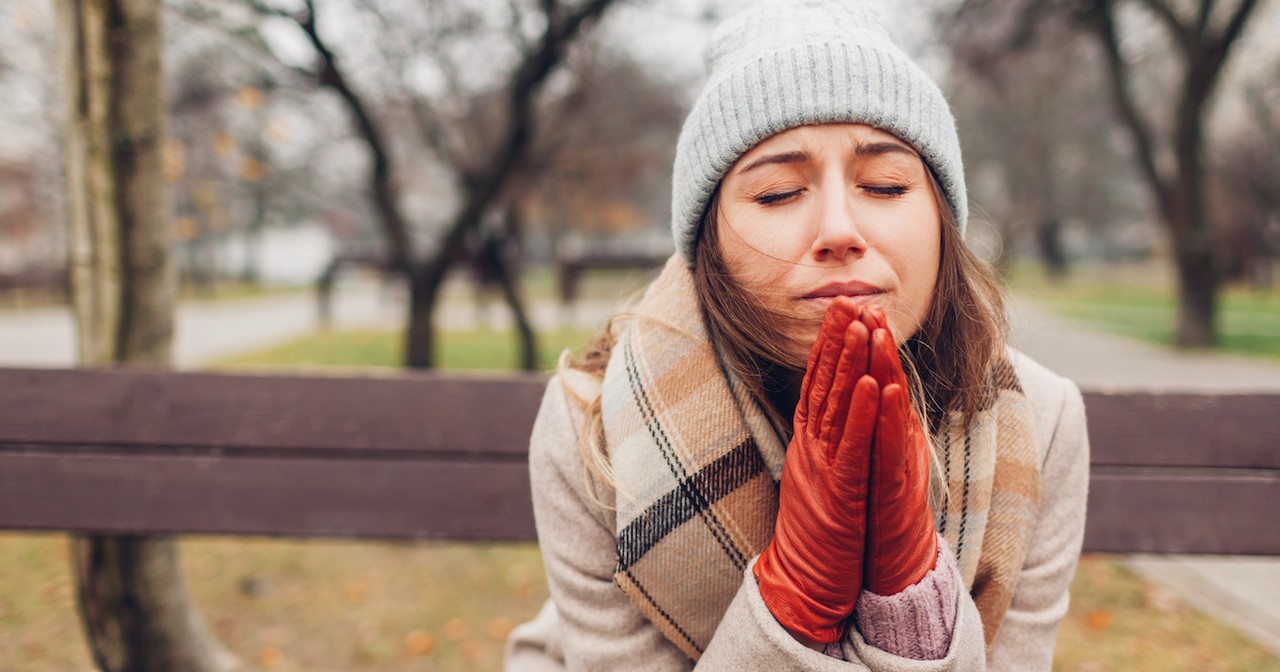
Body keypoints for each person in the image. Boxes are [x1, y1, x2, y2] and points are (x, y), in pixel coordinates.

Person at [505, 0, 1089, 669]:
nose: (840, 230)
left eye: (886, 184)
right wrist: (796, 598)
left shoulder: (1043, 422)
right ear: (710, 247)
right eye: (778, 193)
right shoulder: (593, 428)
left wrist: (909, 604)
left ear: (941, 223)